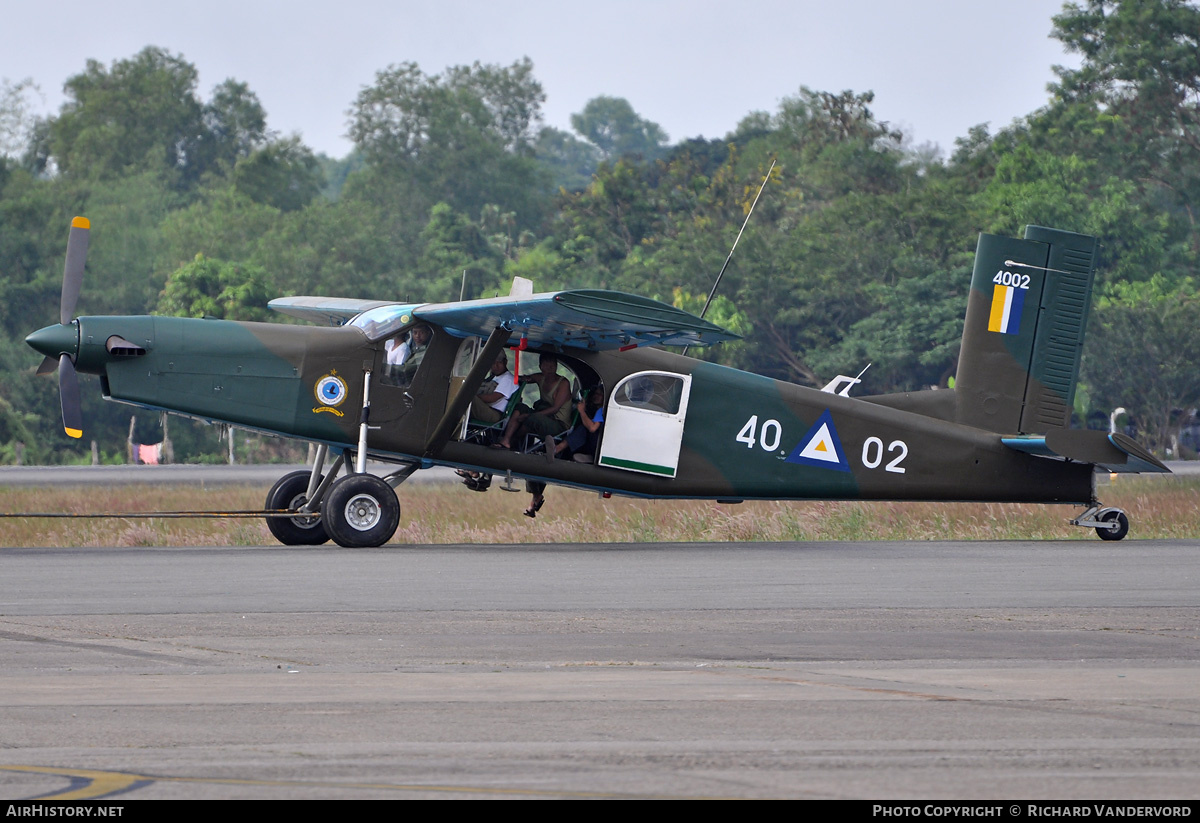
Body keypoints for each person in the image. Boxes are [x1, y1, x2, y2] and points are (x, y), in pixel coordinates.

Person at [524, 385, 605, 518]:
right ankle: (534, 500)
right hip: (580, 446)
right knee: (541, 460)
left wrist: (582, 411)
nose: (596, 396)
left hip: (593, 446)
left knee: (582, 429)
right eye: (595, 393)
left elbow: (592, 428)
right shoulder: (592, 409)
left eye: (600, 394)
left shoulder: (601, 410)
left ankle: (558, 449)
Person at [494, 354, 572, 451]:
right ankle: (506, 440)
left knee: (534, 418)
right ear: (540, 367)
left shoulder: (563, 383)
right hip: (544, 417)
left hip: (558, 424)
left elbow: (555, 409)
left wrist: (527, 416)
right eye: (547, 366)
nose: (550, 369)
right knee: (520, 407)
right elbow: (523, 378)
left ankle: (514, 441)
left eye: (553, 366)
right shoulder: (540, 378)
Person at [469, 352, 517, 424]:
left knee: (467, 397)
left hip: (495, 414)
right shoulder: (493, 377)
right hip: (486, 409)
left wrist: (475, 397)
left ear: (505, 362)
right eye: (493, 363)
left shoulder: (508, 379)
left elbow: (492, 398)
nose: (496, 366)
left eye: (499, 363)